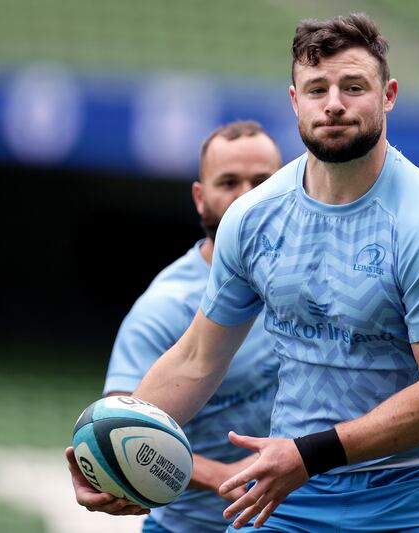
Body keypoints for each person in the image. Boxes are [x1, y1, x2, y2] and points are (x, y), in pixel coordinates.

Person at [70, 12, 419, 532]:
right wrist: (109, 448)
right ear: (295, 101)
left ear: (388, 96)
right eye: (317, 89)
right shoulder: (251, 219)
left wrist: (310, 453)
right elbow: (199, 358)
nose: (334, 103)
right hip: (289, 499)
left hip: (413, 494)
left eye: (353, 86)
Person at [66, 120, 283, 533]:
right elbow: (121, 432)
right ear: (201, 198)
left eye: (261, 181)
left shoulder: (316, 279)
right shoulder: (164, 307)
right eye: (229, 182)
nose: (245, 197)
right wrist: (222, 475)